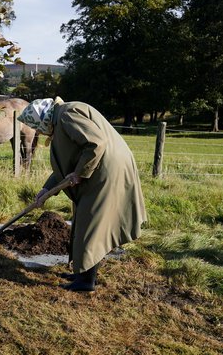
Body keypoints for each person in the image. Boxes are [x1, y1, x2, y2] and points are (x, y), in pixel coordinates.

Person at [18, 98, 147, 292]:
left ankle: (86, 282)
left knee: (90, 223)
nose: (38, 131)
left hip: (105, 172)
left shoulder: (66, 116)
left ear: (43, 119)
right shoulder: (62, 117)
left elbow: (96, 143)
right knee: (83, 218)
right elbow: (66, 165)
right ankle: (82, 271)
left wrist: (79, 173)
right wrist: (46, 190)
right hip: (98, 172)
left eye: (37, 127)